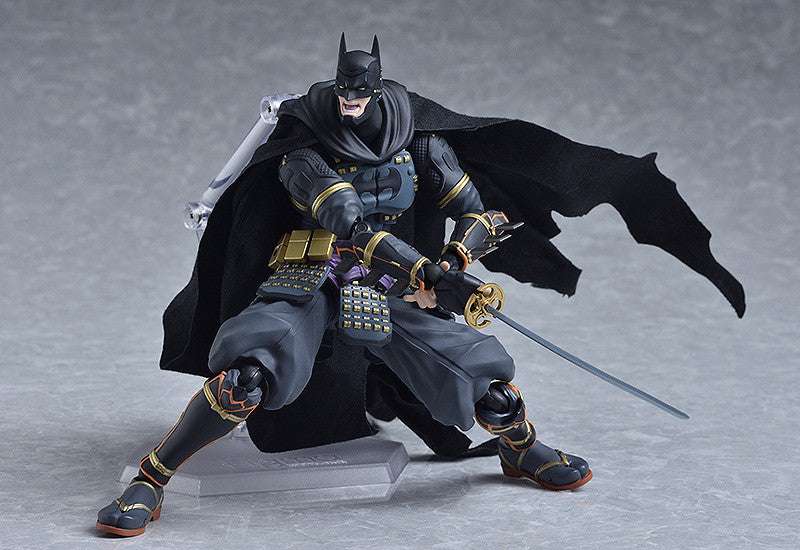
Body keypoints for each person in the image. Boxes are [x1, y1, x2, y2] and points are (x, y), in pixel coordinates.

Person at [97, 35, 744, 537]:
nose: (351, 105)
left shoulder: (421, 145)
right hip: (312, 270)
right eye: (344, 96)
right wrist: (426, 270)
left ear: (378, 91)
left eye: (361, 96)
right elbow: (348, 222)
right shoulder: (306, 151)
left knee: (489, 388)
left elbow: (478, 212)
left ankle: (518, 449)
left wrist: (457, 260)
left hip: (390, 283)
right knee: (246, 375)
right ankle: (153, 477)